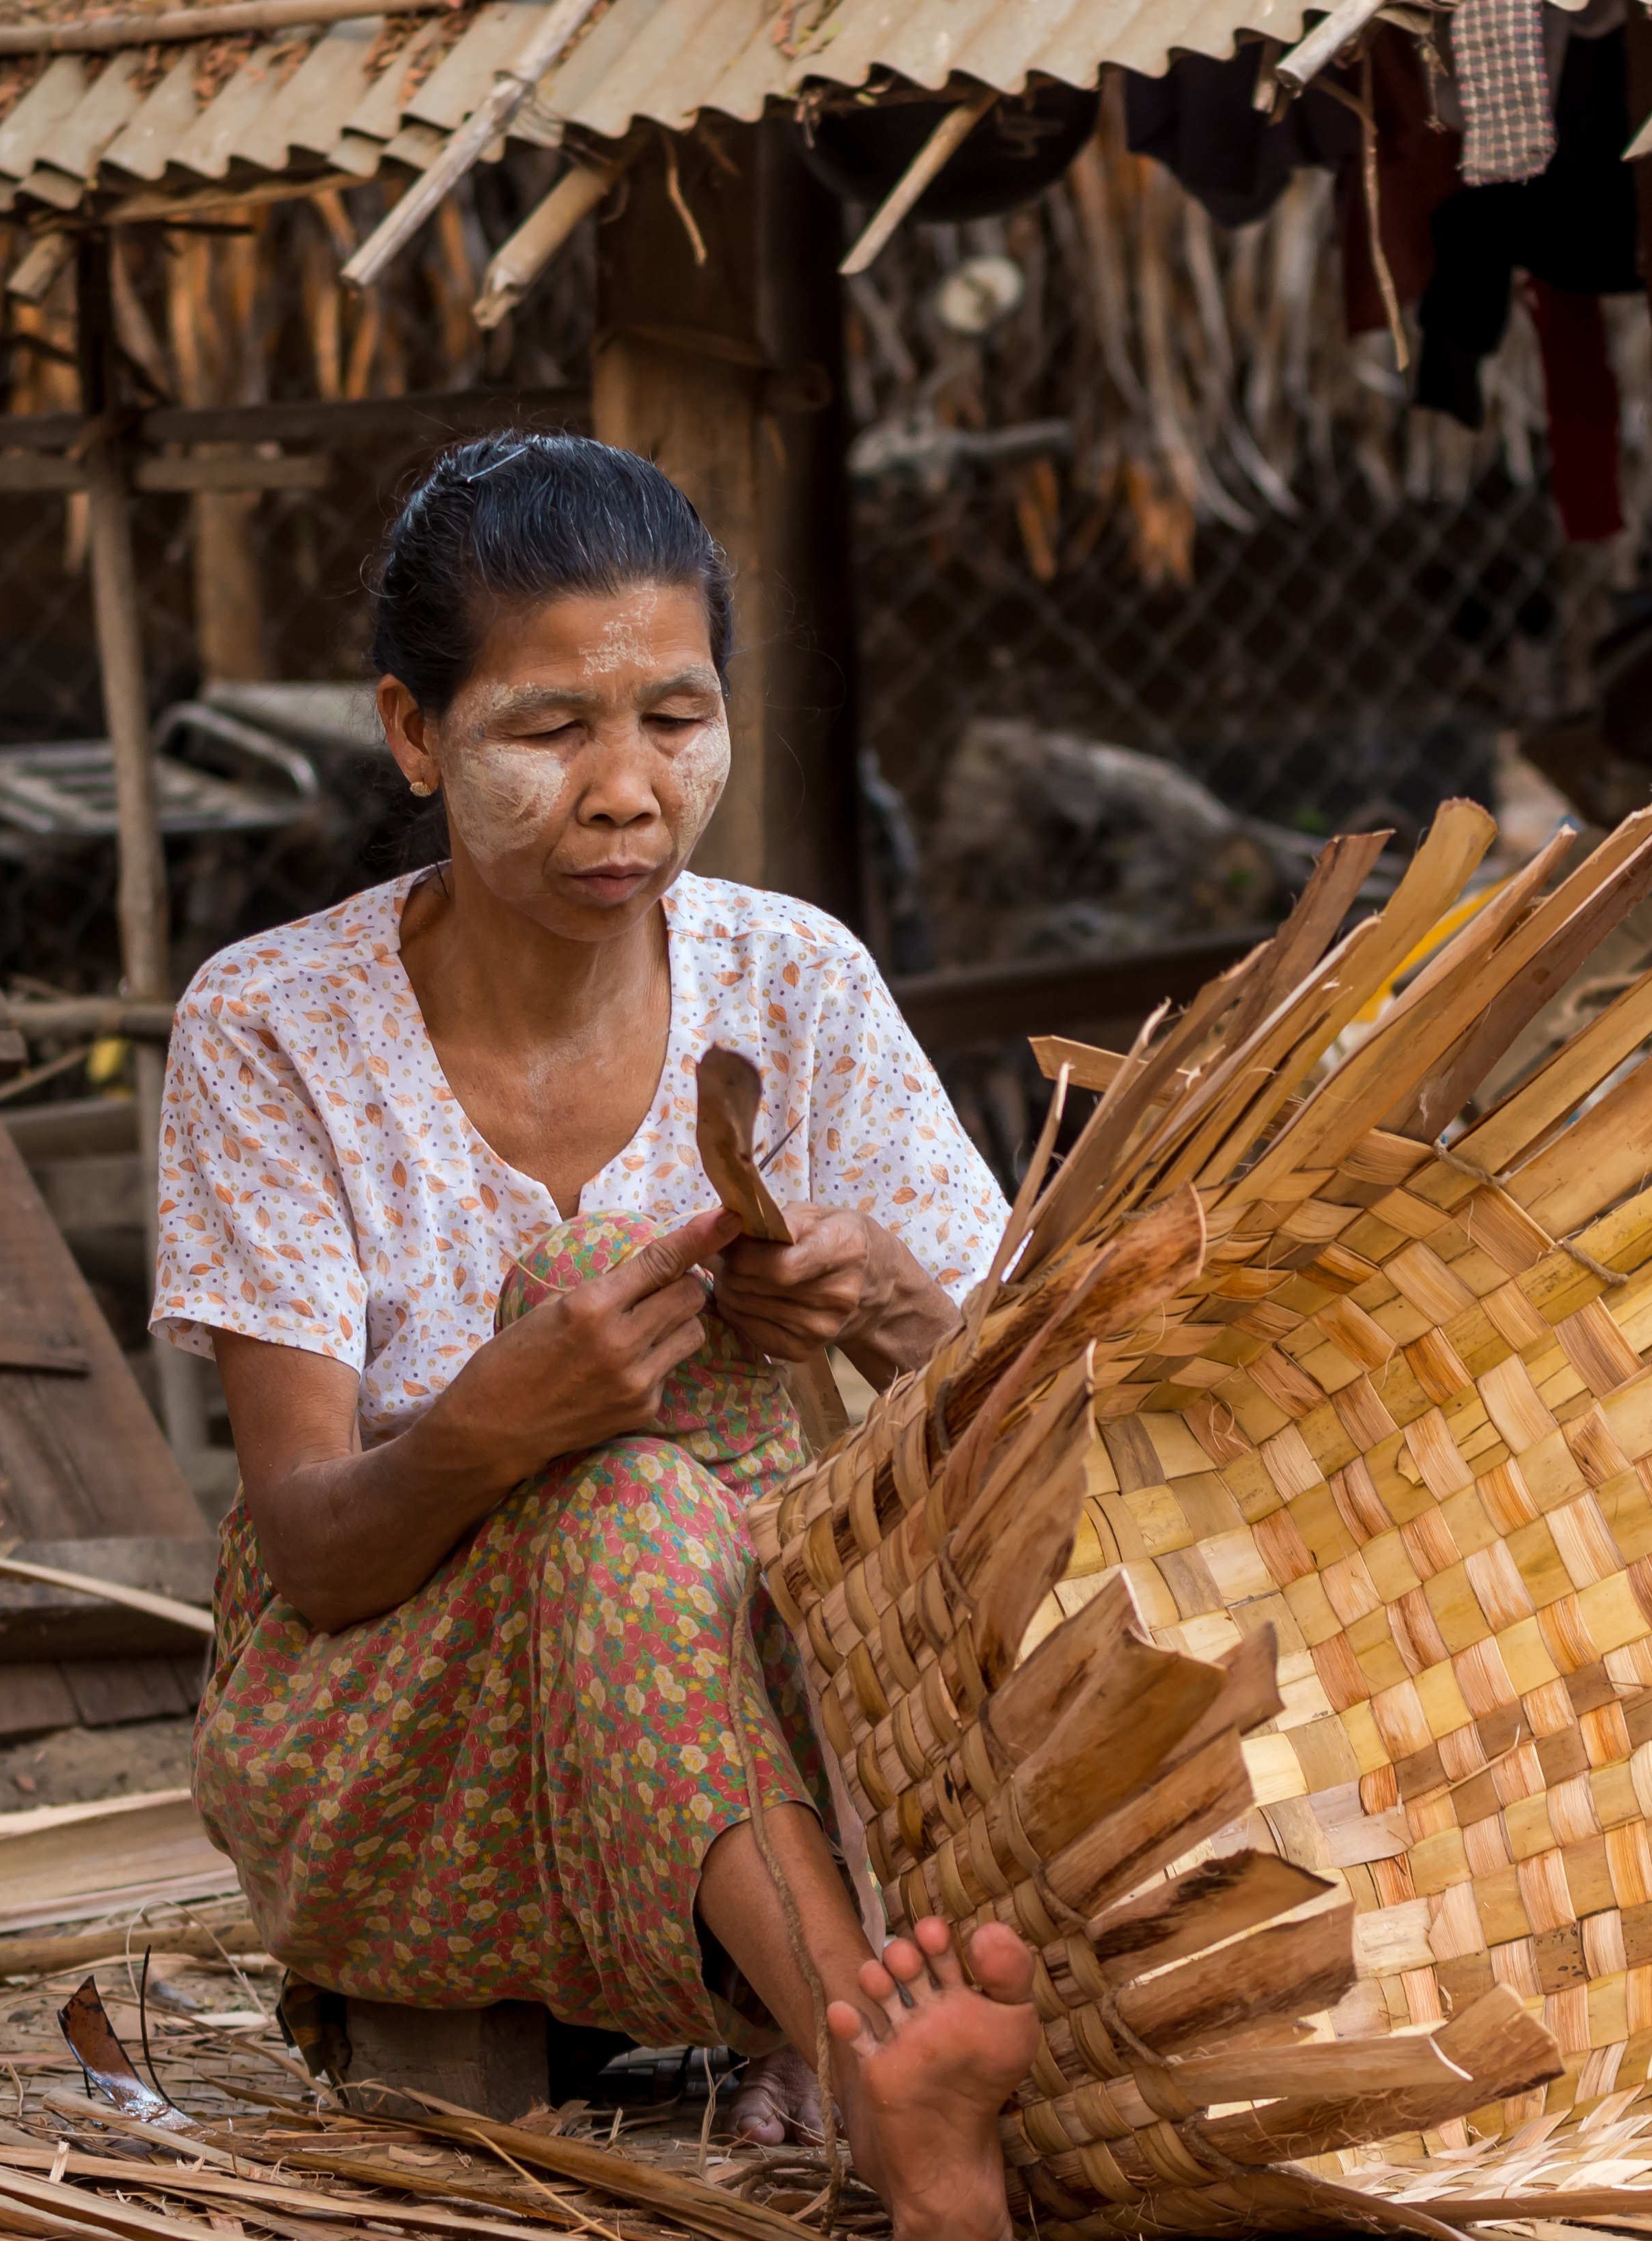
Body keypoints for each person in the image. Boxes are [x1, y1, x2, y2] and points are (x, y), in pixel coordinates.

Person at [153, 433, 1040, 2241]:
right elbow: (308, 1548)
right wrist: (503, 1427)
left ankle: (858, 2029)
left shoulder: (793, 983)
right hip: (406, 1749)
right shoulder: (273, 1029)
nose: (628, 793)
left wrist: (874, 1299)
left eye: (675, 718)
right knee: (621, 1510)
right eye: (551, 730)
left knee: (728, 1519)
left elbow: (1029, 1408)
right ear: (415, 735)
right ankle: (883, 2074)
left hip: (775, 1717)